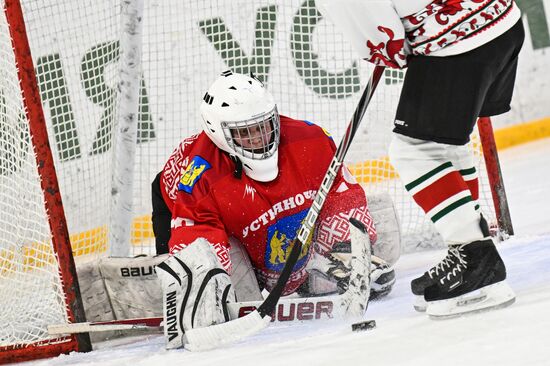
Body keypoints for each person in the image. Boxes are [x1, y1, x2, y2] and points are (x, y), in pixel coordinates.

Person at [151, 71, 401, 347]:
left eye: (264, 125)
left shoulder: (309, 139)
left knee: (381, 236)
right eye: (245, 132)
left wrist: (343, 247)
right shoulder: (200, 177)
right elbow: (197, 235)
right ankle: (172, 283)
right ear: (218, 134)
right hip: (180, 208)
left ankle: (311, 275)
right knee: (228, 289)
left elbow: (341, 192)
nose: (258, 137)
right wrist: (205, 284)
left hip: (261, 219)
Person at [316, 0, 524, 317]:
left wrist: (385, 48)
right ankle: (470, 247)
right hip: (503, 21)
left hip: (456, 44)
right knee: (446, 143)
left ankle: (476, 257)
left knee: (412, 151)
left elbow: (386, 43)